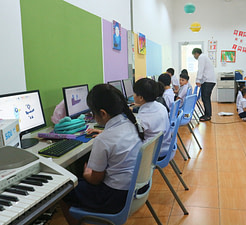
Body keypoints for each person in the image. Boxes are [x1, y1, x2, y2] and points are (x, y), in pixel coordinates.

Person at [61, 84, 144, 225]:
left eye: (93, 113)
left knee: (64, 189)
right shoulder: (131, 124)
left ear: (103, 113)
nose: (92, 116)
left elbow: (95, 180)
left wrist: (87, 174)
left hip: (114, 198)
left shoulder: (104, 140)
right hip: (133, 190)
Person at [133, 78, 171, 157]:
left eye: (134, 93)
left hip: (152, 154)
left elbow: (132, 135)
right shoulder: (161, 106)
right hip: (166, 147)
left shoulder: (142, 118)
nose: (133, 95)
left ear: (140, 98)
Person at [192, 48, 216, 122]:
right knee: (205, 98)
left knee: (205, 98)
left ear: (196, 53)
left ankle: (208, 115)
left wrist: (198, 80)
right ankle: (207, 114)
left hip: (208, 81)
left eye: (194, 55)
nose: (194, 57)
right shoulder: (204, 57)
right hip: (208, 81)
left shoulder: (201, 57)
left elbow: (200, 69)